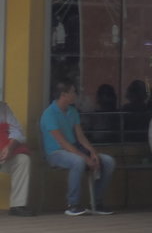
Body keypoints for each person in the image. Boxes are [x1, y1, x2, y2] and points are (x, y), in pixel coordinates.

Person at [41, 81, 116, 216]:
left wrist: (92, 153)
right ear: (64, 95)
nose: (76, 95)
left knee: (108, 161)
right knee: (78, 161)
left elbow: (80, 137)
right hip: (56, 153)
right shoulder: (49, 114)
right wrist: (85, 158)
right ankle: (73, 204)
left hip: (75, 148)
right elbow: (63, 143)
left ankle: (97, 202)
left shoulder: (73, 111)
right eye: (73, 92)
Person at [0, 97, 34, 216]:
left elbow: (18, 132)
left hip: (3, 153)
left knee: (22, 160)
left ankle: (17, 205)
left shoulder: (3, 108)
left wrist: (10, 147)